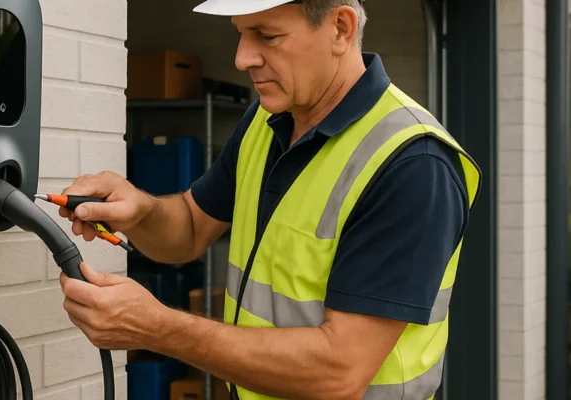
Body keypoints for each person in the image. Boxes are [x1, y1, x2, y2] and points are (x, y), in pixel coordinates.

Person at [56, 0, 482, 399]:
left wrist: (157, 328)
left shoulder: (412, 164)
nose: (243, 58)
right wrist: (140, 210)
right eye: (240, 33)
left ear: (340, 28)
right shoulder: (267, 120)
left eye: (267, 36)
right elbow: (188, 227)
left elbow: (339, 372)